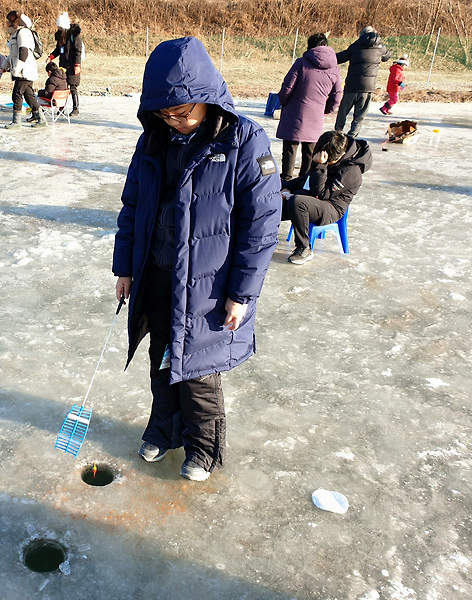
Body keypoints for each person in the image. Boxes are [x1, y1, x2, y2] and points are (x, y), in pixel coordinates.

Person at [112, 37, 281, 482]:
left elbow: (261, 226)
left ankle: (203, 450)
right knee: (162, 360)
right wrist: (126, 267)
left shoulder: (245, 140)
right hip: (160, 276)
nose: (177, 121)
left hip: (210, 287)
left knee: (199, 374)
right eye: (167, 113)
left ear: (208, 100)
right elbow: (132, 208)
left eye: (185, 112)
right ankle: (163, 431)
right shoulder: (153, 141)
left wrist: (241, 294)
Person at [281, 130, 372, 265]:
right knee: (275, 196)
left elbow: (321, 194)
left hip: (331, 206)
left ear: (339, 157)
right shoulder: (333, 150)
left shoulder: (351, 172)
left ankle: (304, 248)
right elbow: (307, 178)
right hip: (311, 196)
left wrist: (320, 166)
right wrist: (288, 187)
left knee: (298, 202)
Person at [276, 32, 342, 182]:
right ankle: (304, 179)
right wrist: (325, 110)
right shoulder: (335, 68)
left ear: (310, 46)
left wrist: (283, 101)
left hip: (294, 111)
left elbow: (287, 87)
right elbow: (337, 95)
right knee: (310, 151)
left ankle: (285, 179)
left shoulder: (301, 63)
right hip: (316, 115)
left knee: (290, 148)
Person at [334, 26, 392, 137]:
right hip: (368, 88)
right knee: (359, 115)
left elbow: (341, 57)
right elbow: (387, 56)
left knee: (343, 112)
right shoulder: (380, 48)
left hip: (352, 86)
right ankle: (352, 136)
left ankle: (338, 133)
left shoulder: (355, 46)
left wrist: (328, 55)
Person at [5, 10, 44, 129]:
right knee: (29, 95)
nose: (8, 23)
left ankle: (16, 122)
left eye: (10, 20)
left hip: (24, 71)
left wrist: (16, 69)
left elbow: (23, 52)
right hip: (23, 71)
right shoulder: (16, 34)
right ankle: (41, 119)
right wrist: (4, 66)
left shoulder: (23, 33)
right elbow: (12, 54)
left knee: (17, 94)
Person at [47, 12, 83, 117]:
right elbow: (59, 49)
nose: (58, 29)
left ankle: (76, 108)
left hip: (72, 66)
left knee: (73, 87)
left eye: (60, 27)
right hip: (63, 65)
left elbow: (78, 51)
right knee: (62, 87)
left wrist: (77, 65)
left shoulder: (74, 37)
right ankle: (62, 108)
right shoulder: (61, 36)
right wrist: (52, 56)